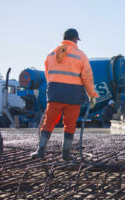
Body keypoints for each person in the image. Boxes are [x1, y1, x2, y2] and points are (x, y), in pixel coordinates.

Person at [31, 28, 99, 161]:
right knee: (70, 124)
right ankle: (66, 154)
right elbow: (87, 77)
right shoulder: (80, 55)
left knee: (49, 122)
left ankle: (40, 151)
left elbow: (47, 75)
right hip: (73, 96)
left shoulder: (51, 54)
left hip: (55, 94)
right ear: (75, 39)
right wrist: (91, 94)